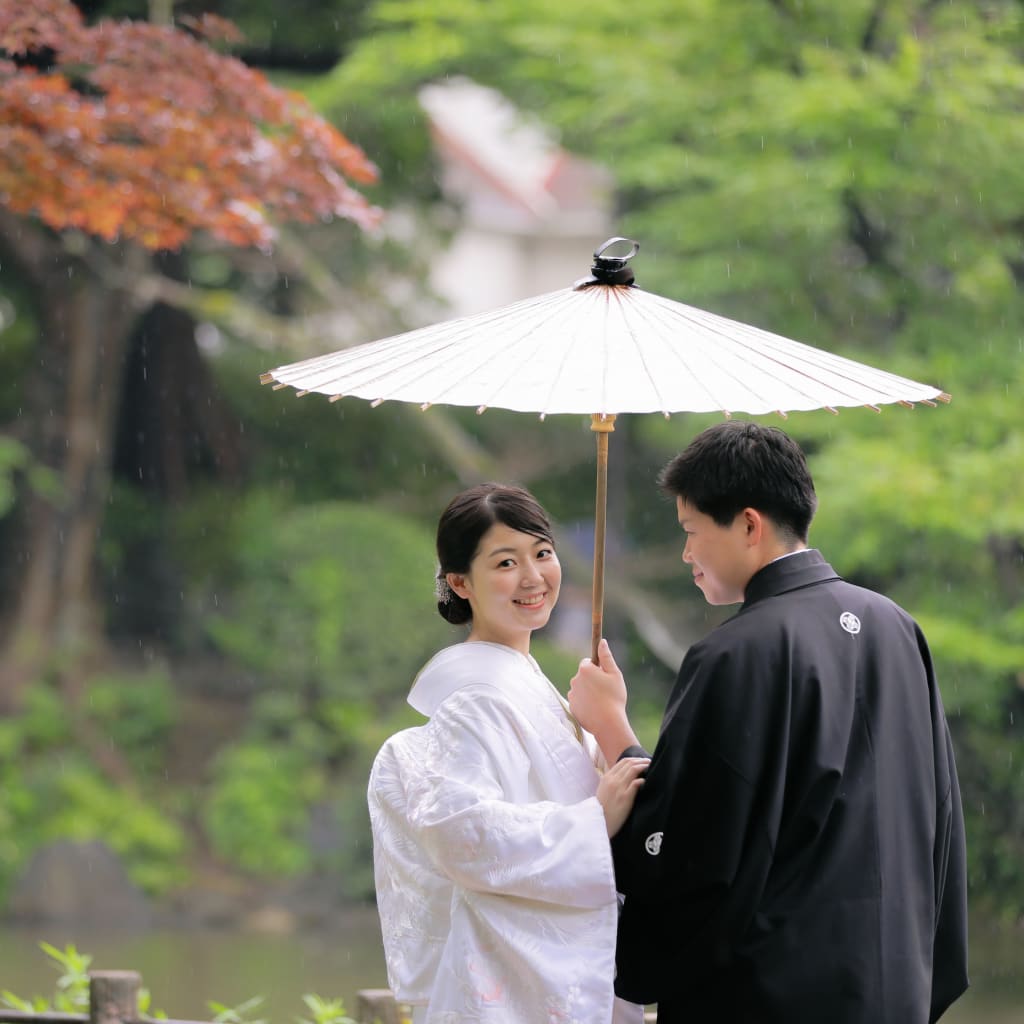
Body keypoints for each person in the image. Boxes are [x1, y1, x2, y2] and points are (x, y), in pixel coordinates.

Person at [568, 421, 969, 1024]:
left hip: (773, 995)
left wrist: (613, 733)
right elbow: (940, 819)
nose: (686, 554)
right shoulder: (896, 627)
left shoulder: (737, 654)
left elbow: (694, 850)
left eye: (691, 531)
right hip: (892, 984)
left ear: (749, 525)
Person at [368, 482, 647, 1024]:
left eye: (542, 553)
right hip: (506, 980)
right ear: (459, 582)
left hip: (556, 968)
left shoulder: (539, 688)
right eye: (504, 562)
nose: (533, 577)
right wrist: (592, 820)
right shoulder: (474, 700)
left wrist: (608, 723)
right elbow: (458, 831)